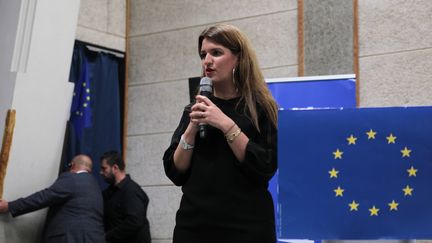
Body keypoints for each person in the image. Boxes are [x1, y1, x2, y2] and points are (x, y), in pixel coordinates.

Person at [163, 24, 278, 243]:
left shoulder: (261, 108)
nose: (207, 60)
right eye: (203, 54)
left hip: (246, 227)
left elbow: (264, 166)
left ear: (238, 58)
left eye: (216, 53)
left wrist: (226, 124)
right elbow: (175, 172)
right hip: (194, 227)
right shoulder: (193, 110)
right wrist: (191, 129)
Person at [0, 154, 105, 243]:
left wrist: (10, 206)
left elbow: (44, 197)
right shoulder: (96, 187)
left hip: (70, 237)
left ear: (72, 166)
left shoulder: (72, 178)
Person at [99, 150, 151, 243]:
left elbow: (134, 222)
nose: (101, 172)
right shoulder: (109, 192)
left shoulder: (131, 191)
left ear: (115, 168)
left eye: (104, 168)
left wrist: (108, 236)